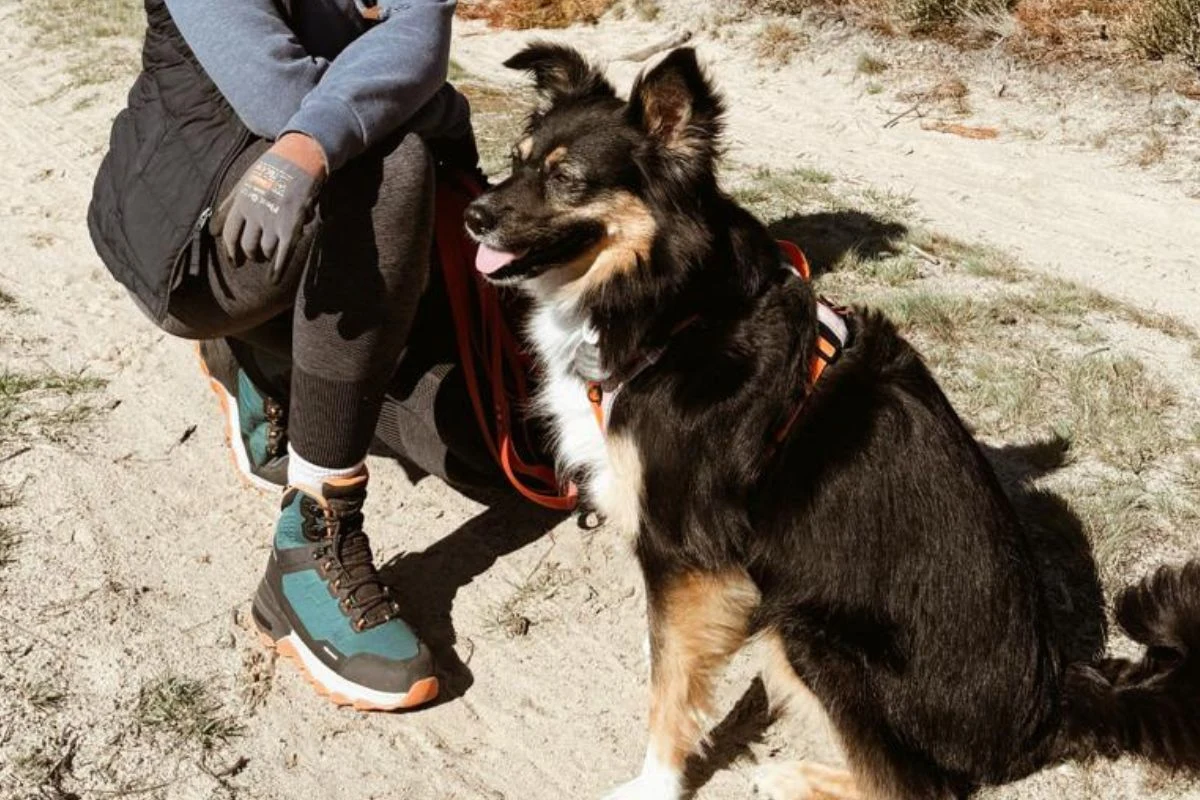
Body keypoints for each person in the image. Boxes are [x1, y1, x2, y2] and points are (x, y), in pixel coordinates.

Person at [88, 0, 481, 711]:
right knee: (391, 164)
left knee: (477, 453)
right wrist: (415, 99)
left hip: (313, 210)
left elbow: (421, 33)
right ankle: (311, 542)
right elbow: (281, 97)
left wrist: (408, 82)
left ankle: (260, 360)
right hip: (196, 227)